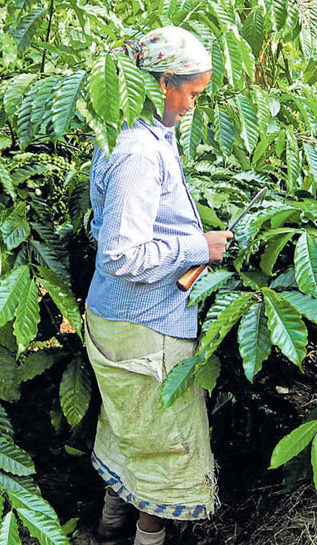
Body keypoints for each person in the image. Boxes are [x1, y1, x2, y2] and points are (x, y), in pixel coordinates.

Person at [83, 27, 232, 545]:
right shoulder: (137, 153)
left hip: (120, 321)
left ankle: (108, 527)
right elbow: (121, 253)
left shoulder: (134, 132)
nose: (193, 105)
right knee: (165, 445)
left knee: (130, 426)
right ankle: (147, 537)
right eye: (191, 93)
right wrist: (198, 249)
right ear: (164, 81)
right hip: (144, 328)